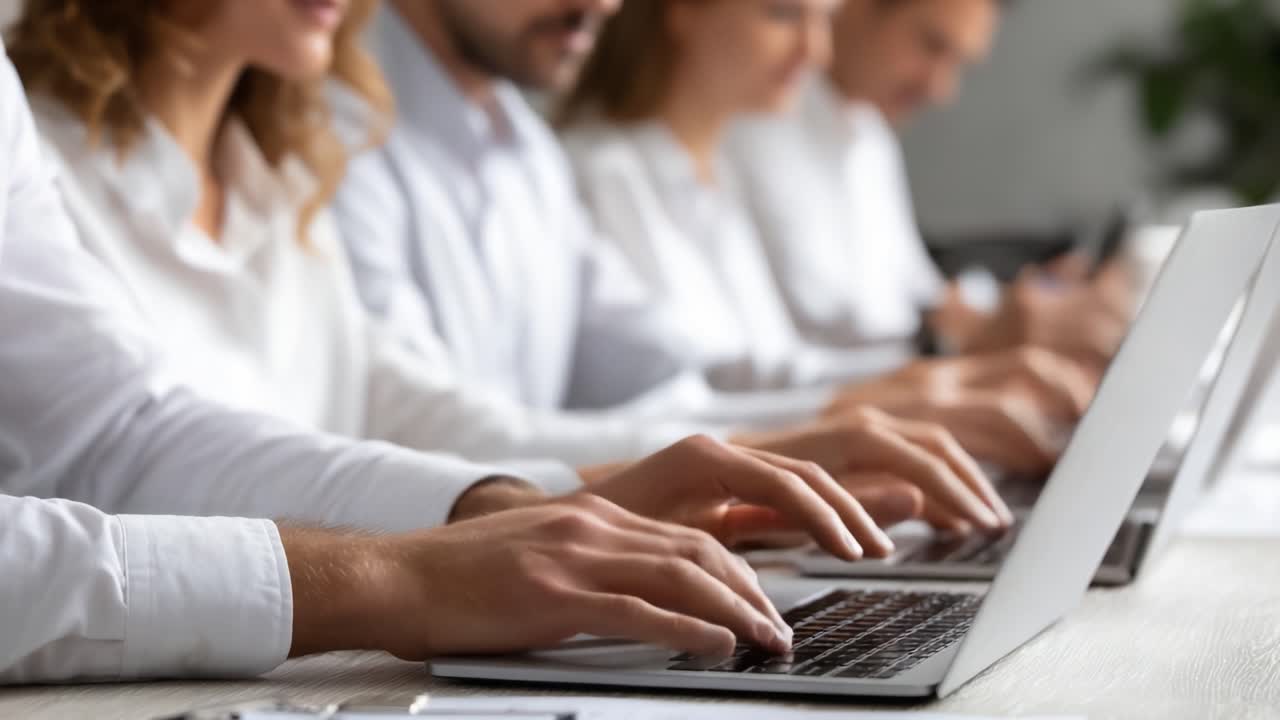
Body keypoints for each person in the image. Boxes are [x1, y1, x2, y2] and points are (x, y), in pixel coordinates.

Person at [0, 36, 934, 683]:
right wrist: (402, 572)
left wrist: (510, 508)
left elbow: (120, 429)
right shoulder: (357, 146)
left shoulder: (298, 158)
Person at [7, 0, 1008, 529]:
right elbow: (129, 464)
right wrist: (520, 509)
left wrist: (793, 437)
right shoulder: (42, 170)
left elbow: (413, 409)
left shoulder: (280, 165)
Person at [333, 0, 1087, 479]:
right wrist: (825, 422)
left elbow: (668, 368)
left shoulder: (524, 146)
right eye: (784, 14)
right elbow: (418, 428)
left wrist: (876, 400)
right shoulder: (340, 132)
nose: (604, 4)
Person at [556, 0, 1093, 476]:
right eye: (783, 14)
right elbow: (694, 385)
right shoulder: (604, 175)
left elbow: (762, 368)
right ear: (682, 10)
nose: (815, 53)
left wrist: (925, 383)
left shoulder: (711, 172)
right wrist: (918, 378)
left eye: (824, 20)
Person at [727, 0, 1130, 367]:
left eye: (958, 62)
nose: (940, 90)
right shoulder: (748, 128)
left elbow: (923, 298)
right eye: (932, 46)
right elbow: (819, 339)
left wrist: (1021, 309)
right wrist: (968, 338)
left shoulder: (869, 134)